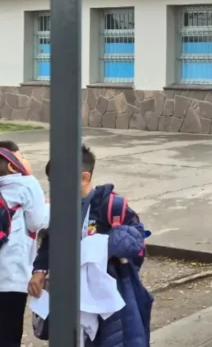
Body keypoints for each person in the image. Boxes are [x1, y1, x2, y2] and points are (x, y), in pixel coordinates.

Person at [30, 144, 152, 347]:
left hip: (109, 296)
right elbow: (50, 242)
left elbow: (136, 243)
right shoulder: (60, 209)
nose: (55, 189)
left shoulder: (111, 206)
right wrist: (39, 271)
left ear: (84, 177)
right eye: (52, 183)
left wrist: (110, 244)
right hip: (69, 292)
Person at [0, 142, 46, 347]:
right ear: (12, 165)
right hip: (12, 276)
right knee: (9, 335)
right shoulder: (27, 184)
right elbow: (37, 222)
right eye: (21, 156)